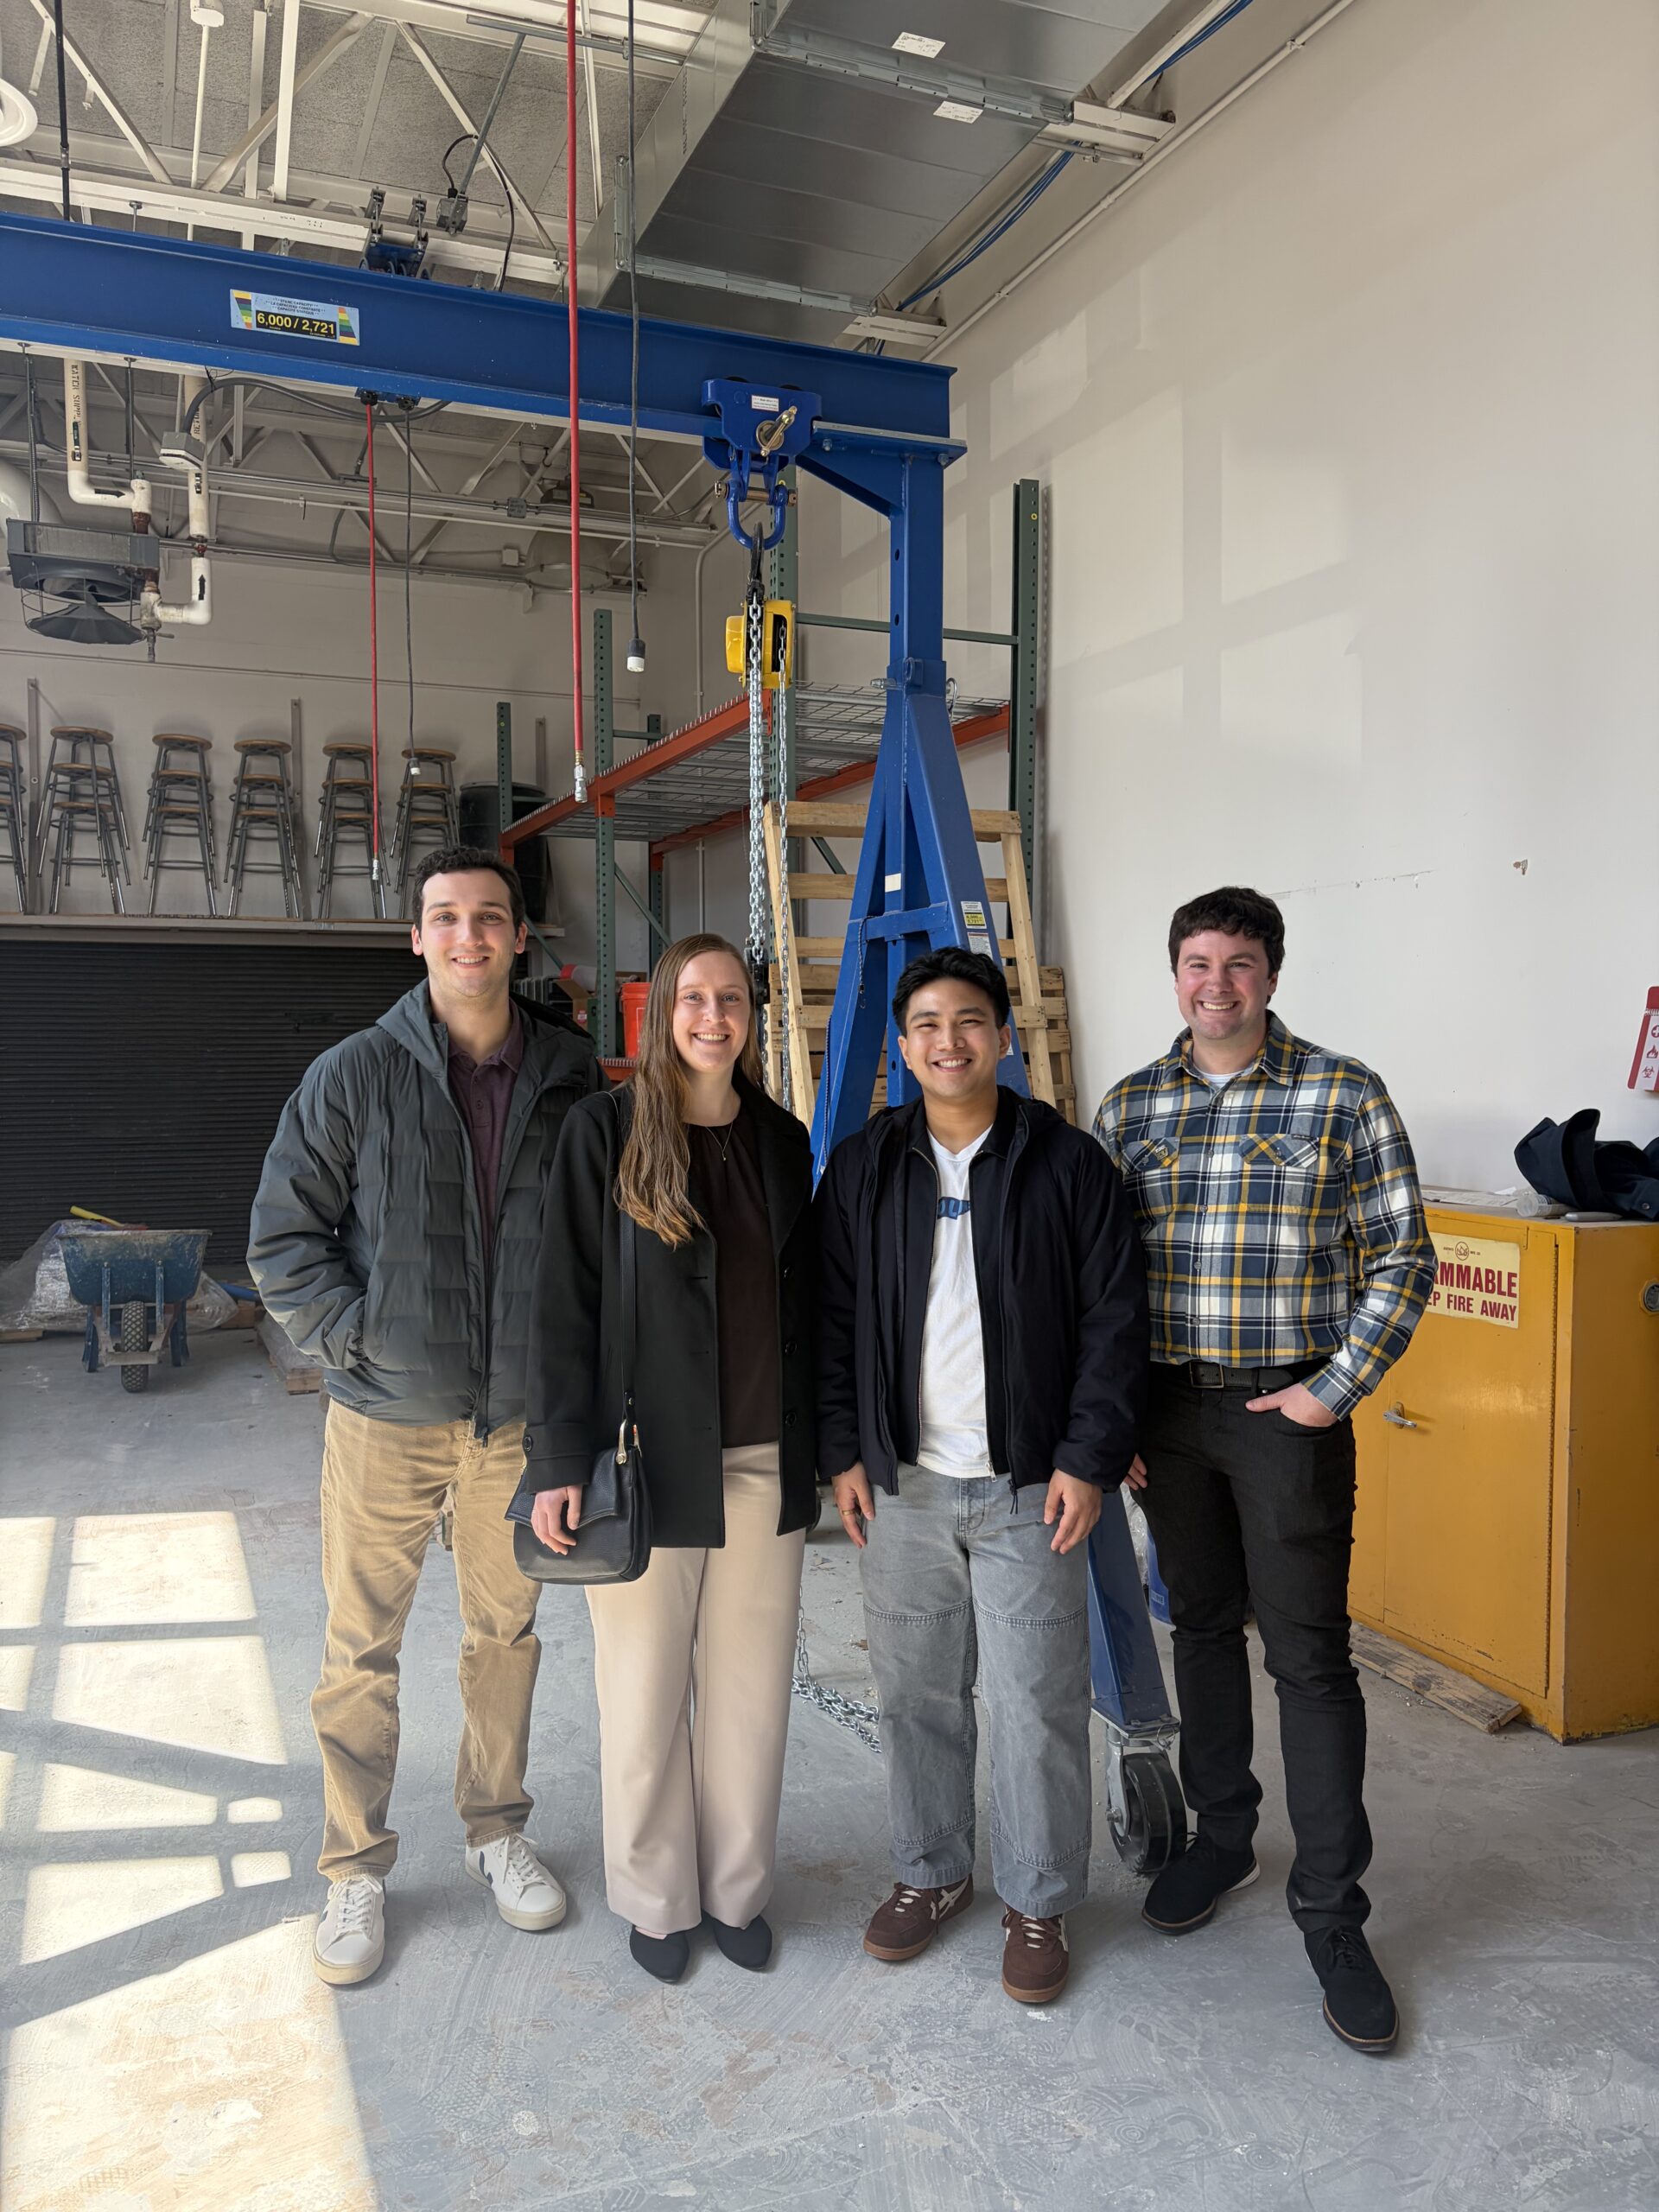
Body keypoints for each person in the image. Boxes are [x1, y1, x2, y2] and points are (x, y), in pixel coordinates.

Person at [249, 843, 600, 1986]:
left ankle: (497, 1831)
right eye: (446, 918)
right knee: (361, 1646)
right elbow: (282, 1239)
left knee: (505, 1639)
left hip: (516, 1426)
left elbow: (598, 1244)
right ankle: (354, 1867)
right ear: (416, 937)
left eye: (489, 918)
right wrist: (363, 1342)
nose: (469, 937)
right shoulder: (354, 1074)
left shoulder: (569, 1076)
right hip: (386, 1421)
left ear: (518, 936)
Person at [1093, 885, 1435, 2055]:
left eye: (1240, 963)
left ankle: (1335, 1912)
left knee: (1308, 1658)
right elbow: (1100, 1279)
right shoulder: (1131, 1106)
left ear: (1273, 977)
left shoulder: (1343, 1093)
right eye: (1198, 963)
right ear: (1175, 975)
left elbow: (1403, 1259)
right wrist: (1116, 1413)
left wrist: (1329, 1390)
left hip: (1286, 1409)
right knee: (1198, 1627)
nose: (1217, 984)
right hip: (1167, 1414)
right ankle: (1224, 1836)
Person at [817, 946, 1148, 2006]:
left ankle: (1039, 1896)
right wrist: (842, 1451)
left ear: (1003, 1037)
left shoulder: (1068, 1164)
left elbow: (1112, 1324)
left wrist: (1088, 1459)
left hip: (1026, 1487)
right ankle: (931, 1872)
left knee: (1037, 1697)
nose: (947, 1040)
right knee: (917, 1694)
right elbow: (828, 1320)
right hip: (904, 1484)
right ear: (903, 1046)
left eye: (969, 1020)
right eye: (925, 1023)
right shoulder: (868, 1164)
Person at [515, 933, 817, 1984]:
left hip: (765, 1458)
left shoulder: (782, 1141)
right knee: (643, 1696)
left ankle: (735, 1889)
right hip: (646, 1461)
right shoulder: (605, 1131)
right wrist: (560, 1455)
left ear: (752, 1014)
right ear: (661, 1013)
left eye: (731, 997)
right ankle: (655, 1897)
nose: (712, 1016)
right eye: (693, 997)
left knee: (748, 1696)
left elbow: (806, 1305)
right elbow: (561, 1302)